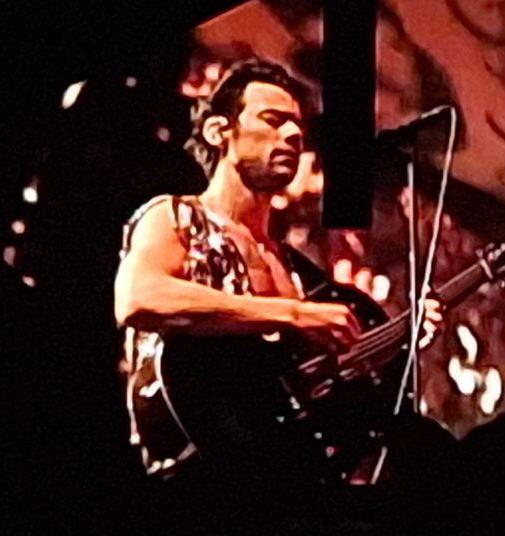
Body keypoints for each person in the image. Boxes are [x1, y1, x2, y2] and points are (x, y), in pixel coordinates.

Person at [113, 58, 442, 531]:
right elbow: (138, 296)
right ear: (218, 132)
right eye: (273, 120)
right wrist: (291, 313)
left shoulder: (292, 265)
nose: (293, 135)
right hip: (192, 484)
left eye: (298, 127)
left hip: (278, 490)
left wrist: (402, 338)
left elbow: (314, 380)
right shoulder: (177, 217)